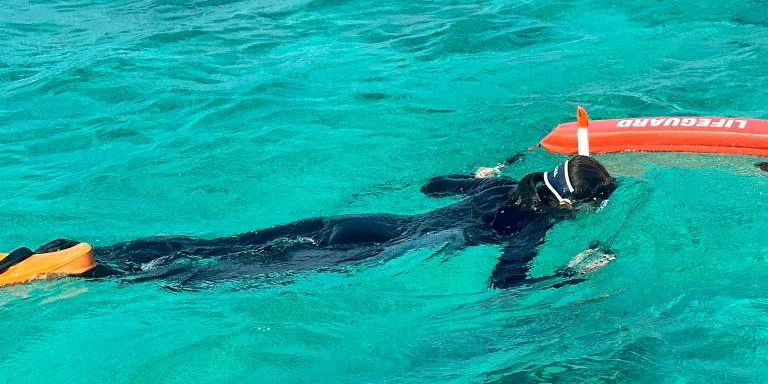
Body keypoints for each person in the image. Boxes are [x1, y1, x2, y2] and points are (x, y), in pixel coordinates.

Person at [80, 154, 618, 290]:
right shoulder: (533, 225)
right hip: (381, 250)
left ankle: (112, 251)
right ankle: (106, 277)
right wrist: (573, 273)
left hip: (365, 223)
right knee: (248, 270)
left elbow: (432, 186)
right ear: (572, 204)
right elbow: (505, 286)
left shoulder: (503, 185)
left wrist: (475, 173)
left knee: (225, 243)